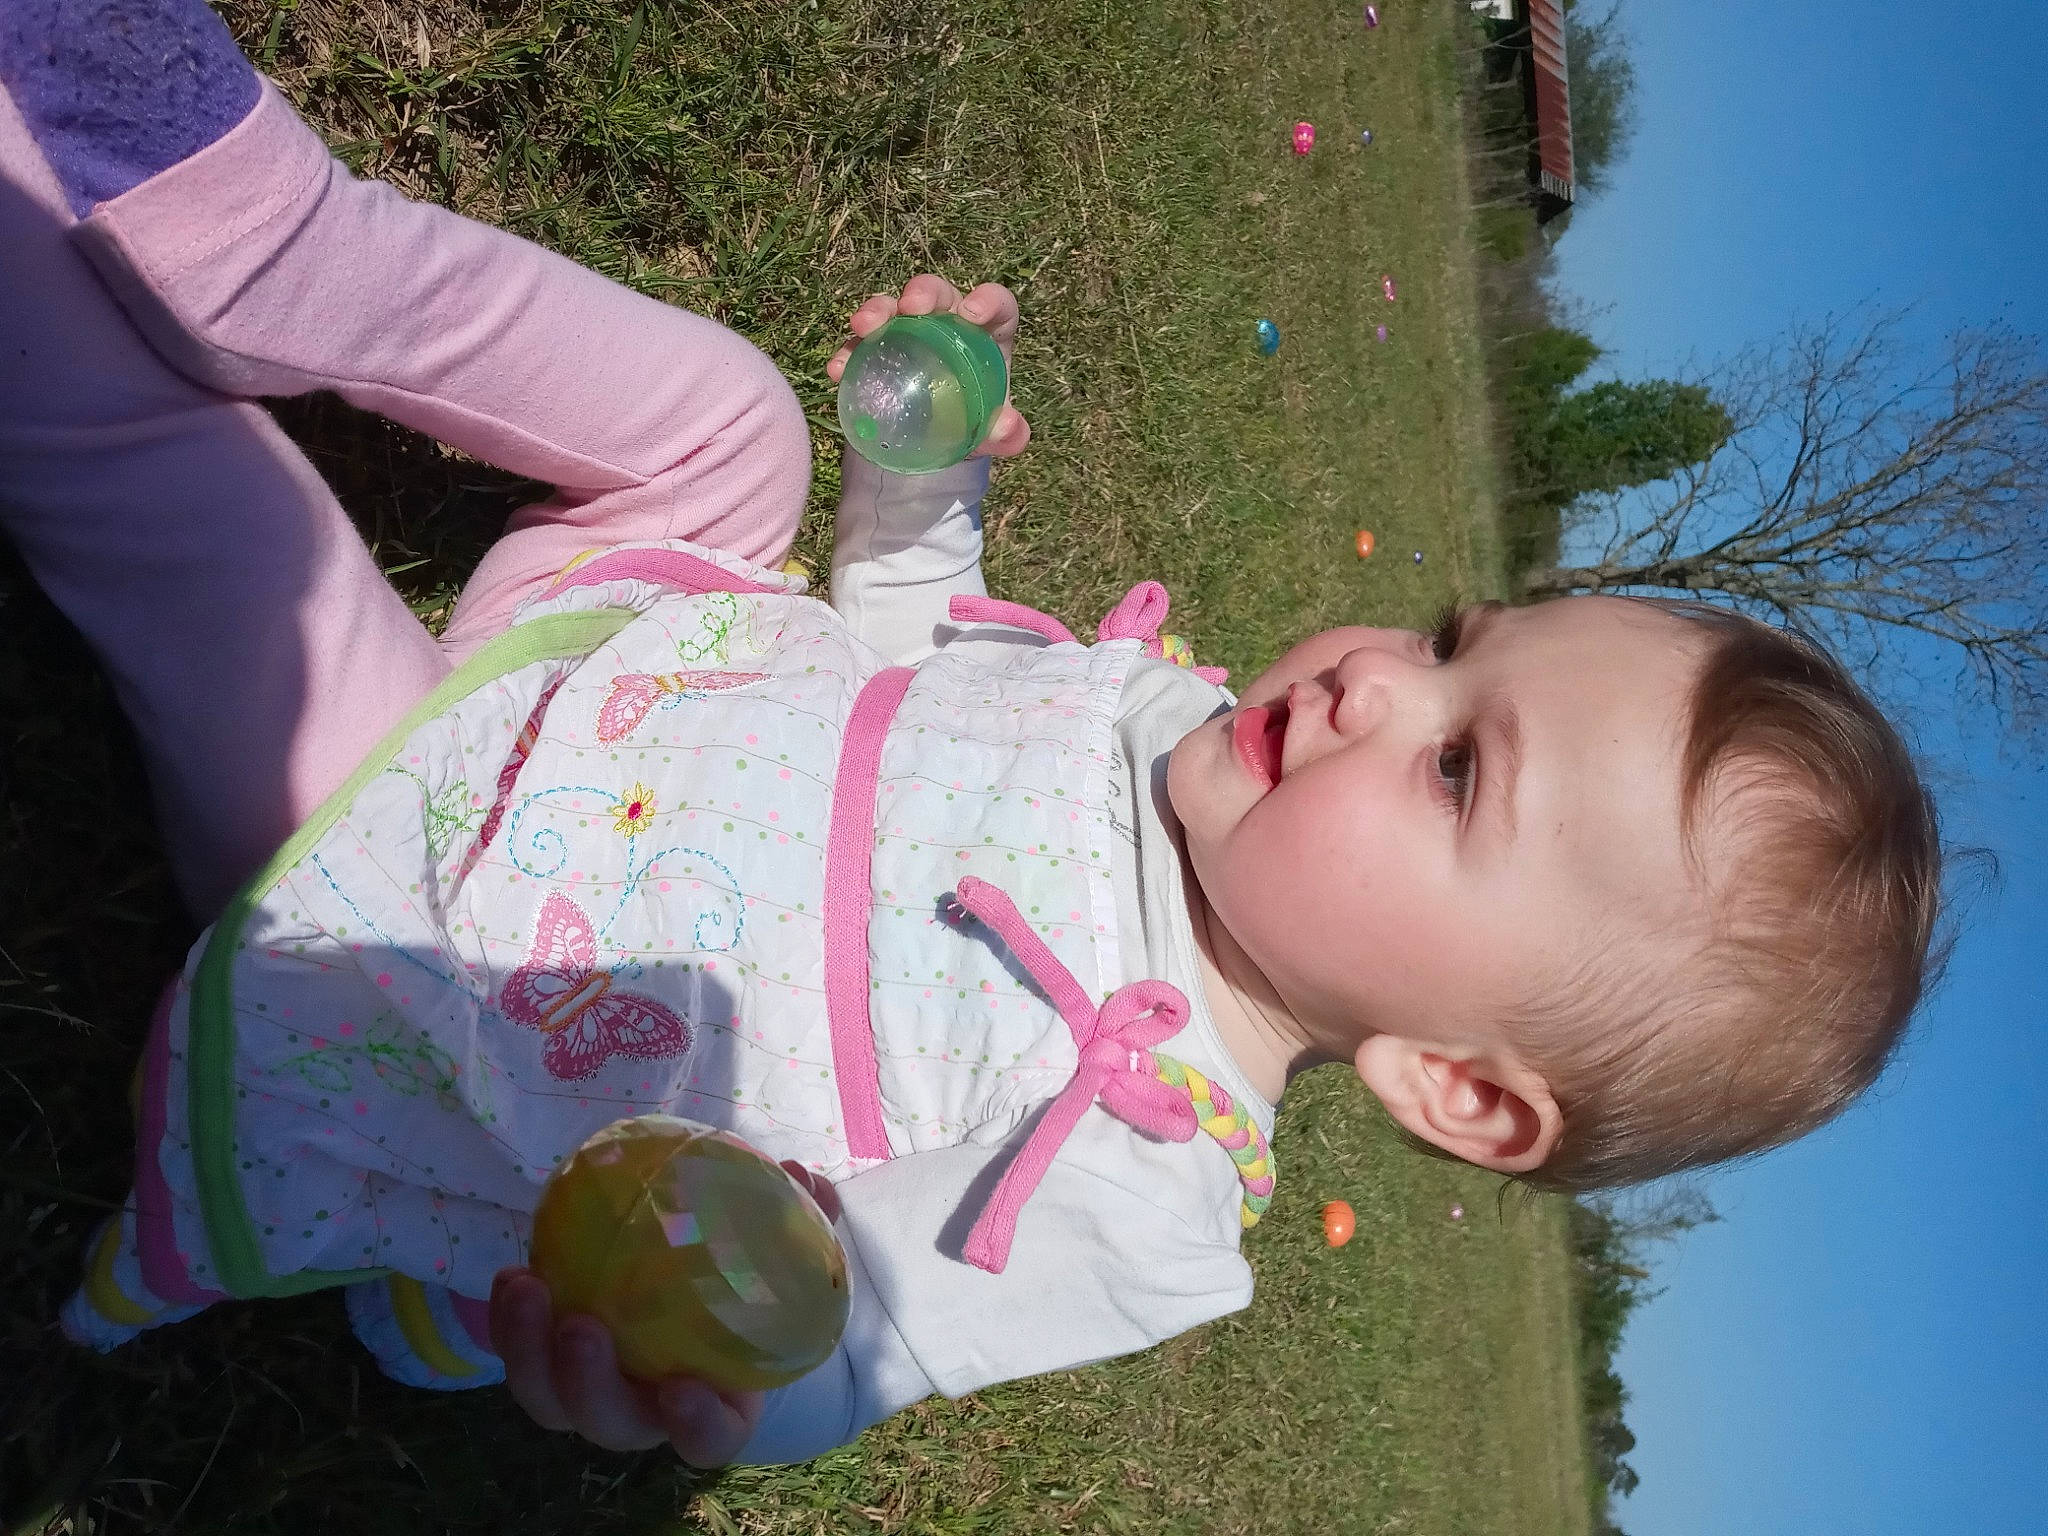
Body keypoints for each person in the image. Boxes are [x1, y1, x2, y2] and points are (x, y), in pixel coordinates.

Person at [2, 0, 1941, 1472]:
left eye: (1456, 768)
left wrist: (702, 1351)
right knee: (736, 424)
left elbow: (847, 1340)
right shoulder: (1171, 725)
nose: (1379, 679)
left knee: (230, 553)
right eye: (1450, 642)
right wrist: (921, 484)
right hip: (643, 647)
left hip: (454, 910)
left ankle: (48, 283)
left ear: (1457, 1089)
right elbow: (902, 652)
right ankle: (265, 239)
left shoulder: (1145, 1197)